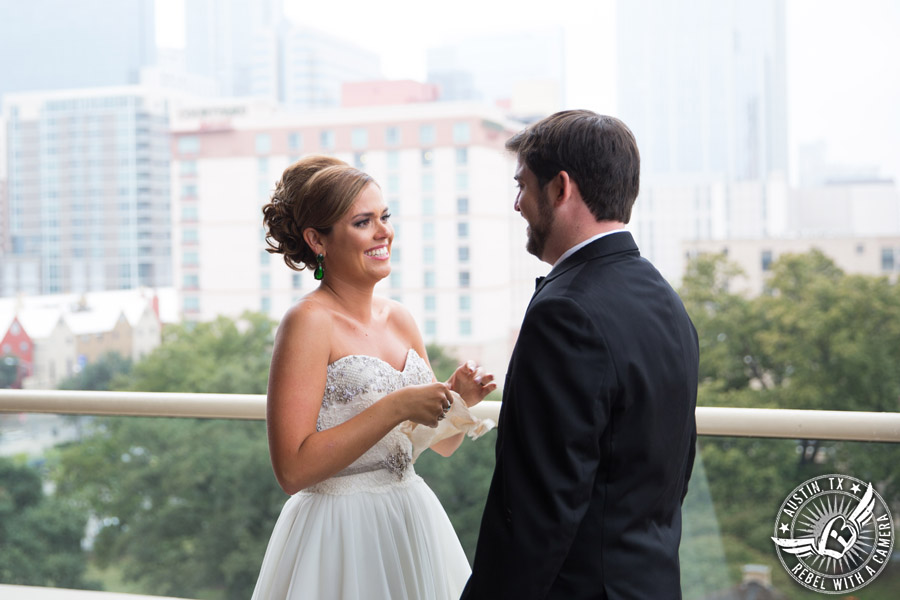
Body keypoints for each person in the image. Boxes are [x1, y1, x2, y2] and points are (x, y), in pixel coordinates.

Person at [461, 110, 699, 599]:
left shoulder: (564, 312)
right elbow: (674, 474)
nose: (517, 204)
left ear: (560, 188)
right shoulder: (664, 299)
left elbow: (537, 509)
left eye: (523, 185)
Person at [251, 155, 496, 600]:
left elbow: (440, 444)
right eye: (363, 222)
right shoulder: (307, 322)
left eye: (384, 217)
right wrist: (395, 407)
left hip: (410, 519)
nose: (384, 232)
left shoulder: (400, 318)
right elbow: (292, 470)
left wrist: (457, 399)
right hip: (339, 535)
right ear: (316, 240)